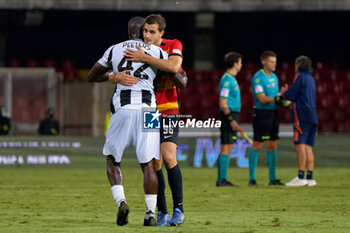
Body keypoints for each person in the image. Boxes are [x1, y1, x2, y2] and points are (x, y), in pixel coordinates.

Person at [87, 16, 169, 226]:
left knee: (113, 160)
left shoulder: (114, 49)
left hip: (122, 109)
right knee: (149, 163)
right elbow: (179, 76)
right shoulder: (157, 51)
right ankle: (150, 213)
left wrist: (112, 77)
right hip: (150, 111)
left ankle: (121, 202)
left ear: (128, 31)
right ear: (144, 31)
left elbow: (92, 75)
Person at [124, 14, 186, 226]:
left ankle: (179, 209)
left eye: (152, 32)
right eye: (145, 31)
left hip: (169, 108)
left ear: (161, 33)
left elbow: (175, 67)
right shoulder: (137, 47)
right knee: (155, 161)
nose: (147, 35)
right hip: (148, 110)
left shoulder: (173, 44)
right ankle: (162, 211)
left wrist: (146, 59)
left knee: (168, 157)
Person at [249, 50, 288, 186]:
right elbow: (262, 98)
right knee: (258, 144)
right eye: (271, 61)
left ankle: (273, 178)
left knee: (272, 145)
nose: (274, 64)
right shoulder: (258, 78)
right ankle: (252, 179)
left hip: (273, 113)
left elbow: (274, 97)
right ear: (264, 61)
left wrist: (282, 99)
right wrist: (277, 97)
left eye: (275, 62)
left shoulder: (275, 77)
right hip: (262, 114)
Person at [283, 56, 318, 187]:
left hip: (302, 115)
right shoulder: (311, 78)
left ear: (298, 65)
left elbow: (292, 95)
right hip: (313, 115)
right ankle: (310, 178)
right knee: (308, 146)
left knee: (300, 145)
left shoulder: (299, 76)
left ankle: (301, 176)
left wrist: (283, 93)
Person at [216, 51, 245, 187]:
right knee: (226, 147)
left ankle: (222, 179)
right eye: (240, 62)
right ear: (235, 64)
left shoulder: (230, 78)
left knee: (227, 146)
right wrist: (231, 119)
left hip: (231, 115)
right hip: (229, 115)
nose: (241, 65)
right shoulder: (227, 79)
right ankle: (222, 180)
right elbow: (223, 102)